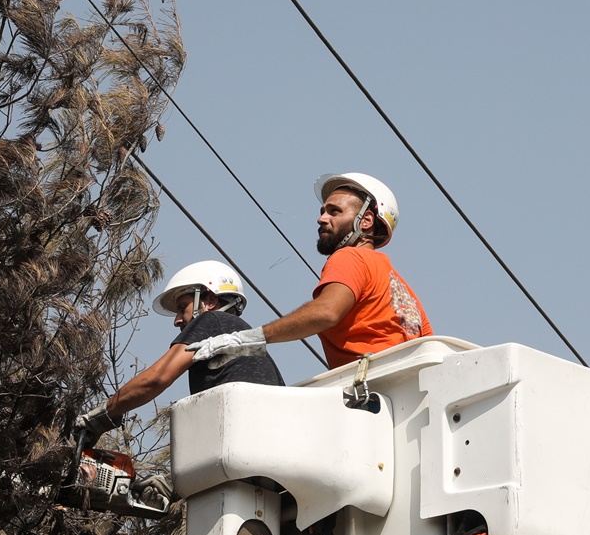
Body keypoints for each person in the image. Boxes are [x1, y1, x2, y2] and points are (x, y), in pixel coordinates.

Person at [191, 172, 432, 372]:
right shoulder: (401, 288)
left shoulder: (349, 257)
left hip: (375, 389)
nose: (321, 218)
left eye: (334, 211)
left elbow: (326, 311)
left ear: (366, 220)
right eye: (322, 211)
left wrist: (248, 339)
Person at [75, 261, 285, 443]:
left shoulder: (212, 320)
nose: (177, 320)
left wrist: (102, 414)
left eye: (182, 307)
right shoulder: (249, 344)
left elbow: (156, 378)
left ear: (209, 301)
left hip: (238, 445)